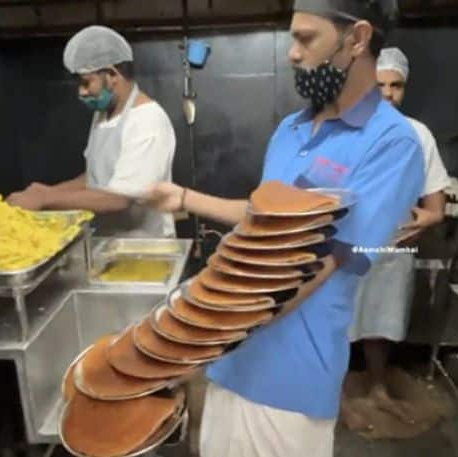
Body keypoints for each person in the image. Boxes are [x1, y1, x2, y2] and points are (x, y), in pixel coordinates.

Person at [146, 1, 424, 455]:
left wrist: (196, 334)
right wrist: (183, 198)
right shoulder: (291, 129)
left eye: (305, 38)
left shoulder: (391, 143)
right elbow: (262, 217)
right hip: (230, 363)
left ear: (357, 38)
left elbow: (322, 262)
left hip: (289, 381)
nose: (292, 54)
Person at [343, 46, 451, 427]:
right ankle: (333, 392)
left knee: (381, 323)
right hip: (350, 244)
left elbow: (436, 203)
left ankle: (377, 388)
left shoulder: (419, 136)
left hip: (393, 248)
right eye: (380, 84)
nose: (388, 93)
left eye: (396, 85)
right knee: (340, 320)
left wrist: (428, 218)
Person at [7, 26, 176, 238]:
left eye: (86, 83)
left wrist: (45, 198)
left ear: (112, 74)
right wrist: (44, 193)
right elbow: (95, 176)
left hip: (144, 251)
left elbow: (119, 198)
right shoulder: (104, 115)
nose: (81, 92)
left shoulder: (147, 121)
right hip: (107, 243)